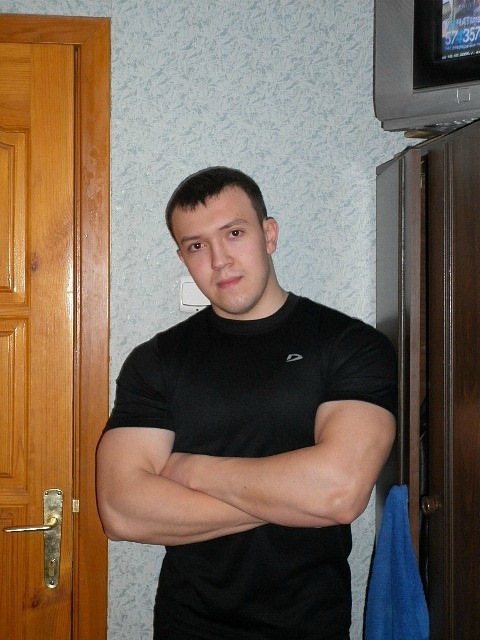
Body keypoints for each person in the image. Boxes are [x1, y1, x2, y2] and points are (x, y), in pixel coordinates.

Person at [96, 166, 397, 640]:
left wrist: (191, 469)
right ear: (182, 256)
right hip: (187, 627)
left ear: (268, 234)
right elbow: (120, 511)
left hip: (310, 627)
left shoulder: (350, 346)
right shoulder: (156, 361)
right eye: (197, 245)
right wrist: (297, 497)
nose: (219, 260)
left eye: (234, 233)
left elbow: (338, 493)